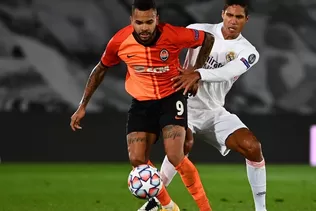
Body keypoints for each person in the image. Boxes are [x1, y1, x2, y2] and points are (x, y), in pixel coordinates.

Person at [69, 0, 215, 211]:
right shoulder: (120, 41)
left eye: (149, 22)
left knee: (175, 155)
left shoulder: (173, 34)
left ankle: (205, 209)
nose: (144, 27)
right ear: (132, 21)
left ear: (156, 19)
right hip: (141, 103)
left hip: (171, 98)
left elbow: (207, 39)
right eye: (139, 22)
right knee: (138, 159)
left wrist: (196, 72)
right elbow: (100, 69)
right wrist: (82, 105)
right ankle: (168, 206)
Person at [139, 0, 267, 211]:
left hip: (214, 111)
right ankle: (155, 203)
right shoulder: (197, 31)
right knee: (183, 144)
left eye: (239, 17)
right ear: (222, 14)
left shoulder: (249, 52)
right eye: (229, 15)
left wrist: (198, 74)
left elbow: (228, 72)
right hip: (184, 104)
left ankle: (261, 209)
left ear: (247, 20)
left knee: (253, 147)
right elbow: (167, 48)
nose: (233, 21)